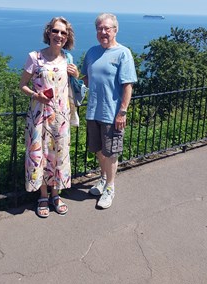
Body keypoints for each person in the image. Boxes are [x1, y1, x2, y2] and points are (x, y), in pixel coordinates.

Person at [19, 16, 79, 218]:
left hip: (61, 119)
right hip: (39, 117)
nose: (59, 35)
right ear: (48, 33)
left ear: (67, 36)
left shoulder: (68, 60)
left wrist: (76, 75)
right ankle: (43, 196)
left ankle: (56, 193)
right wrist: (36, 95)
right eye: (56, 31)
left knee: (58, 156)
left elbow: (75, 88)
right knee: (40, 155)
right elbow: (22, 86)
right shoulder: (34, 57)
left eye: (63, 32)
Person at [81, 13, 137, 209]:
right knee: (98, 150)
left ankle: (110, 188)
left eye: (107, 28)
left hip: (112, 113)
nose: (103, 32)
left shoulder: (123, 53)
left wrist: (122, 112)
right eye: (99, 28)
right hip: (93, 111)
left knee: (111, 152)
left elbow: (127, 85)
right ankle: (103, 179)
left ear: (115, 30)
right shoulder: (91, 52)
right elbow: (87, 78)